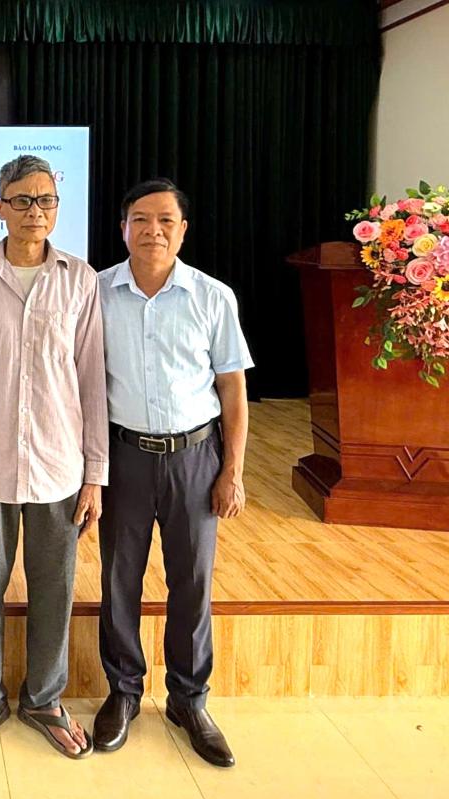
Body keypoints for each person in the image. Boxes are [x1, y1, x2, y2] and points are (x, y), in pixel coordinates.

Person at [0, 155, 108, 760]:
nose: (36, 211)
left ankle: (44, 698)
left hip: (59, 465)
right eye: (24, 200)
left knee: (54, 587)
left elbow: (92, 382)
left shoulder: (80, 279)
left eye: (47, 200)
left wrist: (94, 476)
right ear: (0, 207)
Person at [92, 178, 252, 768]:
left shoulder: (214, 297)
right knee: (119, 581)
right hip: (124, 455)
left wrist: (231, 470)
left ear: (182, 230)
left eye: (165, 220)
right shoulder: (98, 292)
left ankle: (189, 699)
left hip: (195, 457)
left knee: (193, 582)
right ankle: (124, 692)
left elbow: (232, 388)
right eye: (140, 219)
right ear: (124, 228)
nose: (152, 230)